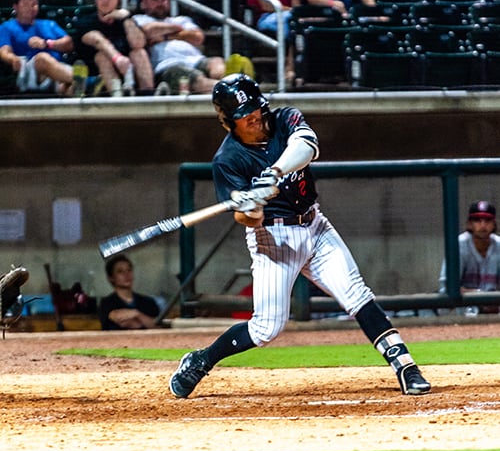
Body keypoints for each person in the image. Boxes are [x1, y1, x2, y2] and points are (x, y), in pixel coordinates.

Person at [169, 73, 431, 399]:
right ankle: (201, 360)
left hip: (315, 226)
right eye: (242, 116)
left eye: (254, 109)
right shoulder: (227, 160)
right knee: (267, 329)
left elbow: (306, 146)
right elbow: (244, 219)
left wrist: (274, 173)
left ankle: (406, 367)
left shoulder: (285, 118)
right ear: (228, 122)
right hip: (273, 240)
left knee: (356, 294)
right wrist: (252, 205)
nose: (252, 118)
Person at [132, 0, 227, 94]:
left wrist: (166, 36)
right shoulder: (138, 19)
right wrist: (177, 30)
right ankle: (229, 92)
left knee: (217, 63)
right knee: (198, 80)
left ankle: (227, 87)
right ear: (143, 4)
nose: (160, 3)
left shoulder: (182, 19)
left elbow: (198, 37)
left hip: (196, 59)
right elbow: (148, 30)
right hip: (169, 65)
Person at [73, 0, 154, 96]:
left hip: (129, 73)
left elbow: (138, 44)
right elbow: (97, 40)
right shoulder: (86, 22)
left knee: (139, 53)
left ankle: (148, 96)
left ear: (118, 0)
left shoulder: (125, 20)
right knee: (102, 57)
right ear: (96, 0)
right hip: (97, 76)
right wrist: (117, 59)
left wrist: (126, 19)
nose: (105, 1)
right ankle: (117, 97)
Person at [0, 0, 75, 95]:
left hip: (56, 71)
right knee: (41, 58)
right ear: (15, 7)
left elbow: (69, 44)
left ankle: (75, 84)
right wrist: (12, 59)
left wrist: (47, 44)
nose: (31, 8)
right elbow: (4, 51)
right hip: (27, 72)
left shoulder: (49, 24)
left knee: (69, 88)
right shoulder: (7, 27)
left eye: (34, 4)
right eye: (25, 5)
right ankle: (84, 80)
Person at [439, 200, 500, 313]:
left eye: (487, 220)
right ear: (469, 224)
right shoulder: (459, 245)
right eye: (477, 220)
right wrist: (481, 297)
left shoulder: (498, 245)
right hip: (462, 309)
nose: (483, 225)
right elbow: (447, 288)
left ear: (494, 224)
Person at [247, 0, 301, 83]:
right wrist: (291, 11)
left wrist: (293, 11)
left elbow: (296, 6)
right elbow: (267, 6)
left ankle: (293, 68)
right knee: (289, 20)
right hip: (266, 17)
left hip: (288, 17)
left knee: (293, 22)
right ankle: (290, 67)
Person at [98, 254, 160, 330]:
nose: (126, 274)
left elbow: (157, 326)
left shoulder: (148, 302)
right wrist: (143, 323)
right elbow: (113, 327)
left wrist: (137, 314)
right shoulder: (107, 303)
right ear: (111, 278)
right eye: (120, 271)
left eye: (129, 270)